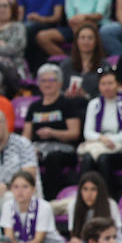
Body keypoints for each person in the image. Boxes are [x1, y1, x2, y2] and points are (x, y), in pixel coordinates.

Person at [21, 64, 83, 197]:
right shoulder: (34, 107)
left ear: (60, 83)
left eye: (51, 80)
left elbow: (74, 133)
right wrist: (29, 149)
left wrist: (53, 133)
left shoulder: (67, 104)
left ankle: (49, 198)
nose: (47, 84)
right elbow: (26, 136)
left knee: (52, 158)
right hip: (39, 149)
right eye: (43, 80)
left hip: (63, 149)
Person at [78, 69, 122, 182]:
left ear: (118, 85)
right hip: (100, 144)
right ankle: (84, 194)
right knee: (87, 159)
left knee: (103, 159)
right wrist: (102, 139)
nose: (107, 87)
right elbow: (87, 133)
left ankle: (108, 195)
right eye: (103, 84)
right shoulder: (94, 104)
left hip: (120, 148)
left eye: (110, 83)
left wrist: (109, 140)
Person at [0, 171, 64, 243]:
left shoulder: (44, 206)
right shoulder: (7, 205)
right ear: (11, 189)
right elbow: (9, 236)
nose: (20, 191)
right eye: (16, 187)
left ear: (33, 189)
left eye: (25, 187)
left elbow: (38, 241)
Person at [0, 109, 38, 204]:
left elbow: (29, 178)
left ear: (6, 123)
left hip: (23, 194)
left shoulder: (23, 144)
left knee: (8, 198)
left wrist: (7, 187)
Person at [60, 171, 122, 243]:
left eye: (93, 189)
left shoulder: (110, 204)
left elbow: (115, 236)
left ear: (100, 191)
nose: (89, 194)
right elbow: (74, 234)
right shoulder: (73, 205)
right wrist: (75, 241)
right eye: (85, 189)